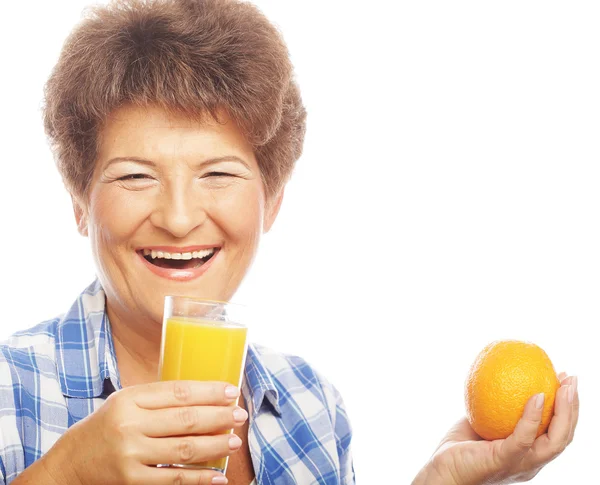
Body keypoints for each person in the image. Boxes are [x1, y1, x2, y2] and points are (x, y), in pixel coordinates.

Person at [0, 1, 579, 484]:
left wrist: (440, 481)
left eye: (219, 174)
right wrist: (67, 474)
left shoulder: (310, 406)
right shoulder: (11, 390)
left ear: (271, 201)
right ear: (80, 202)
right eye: (135, 176)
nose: (178, 219)